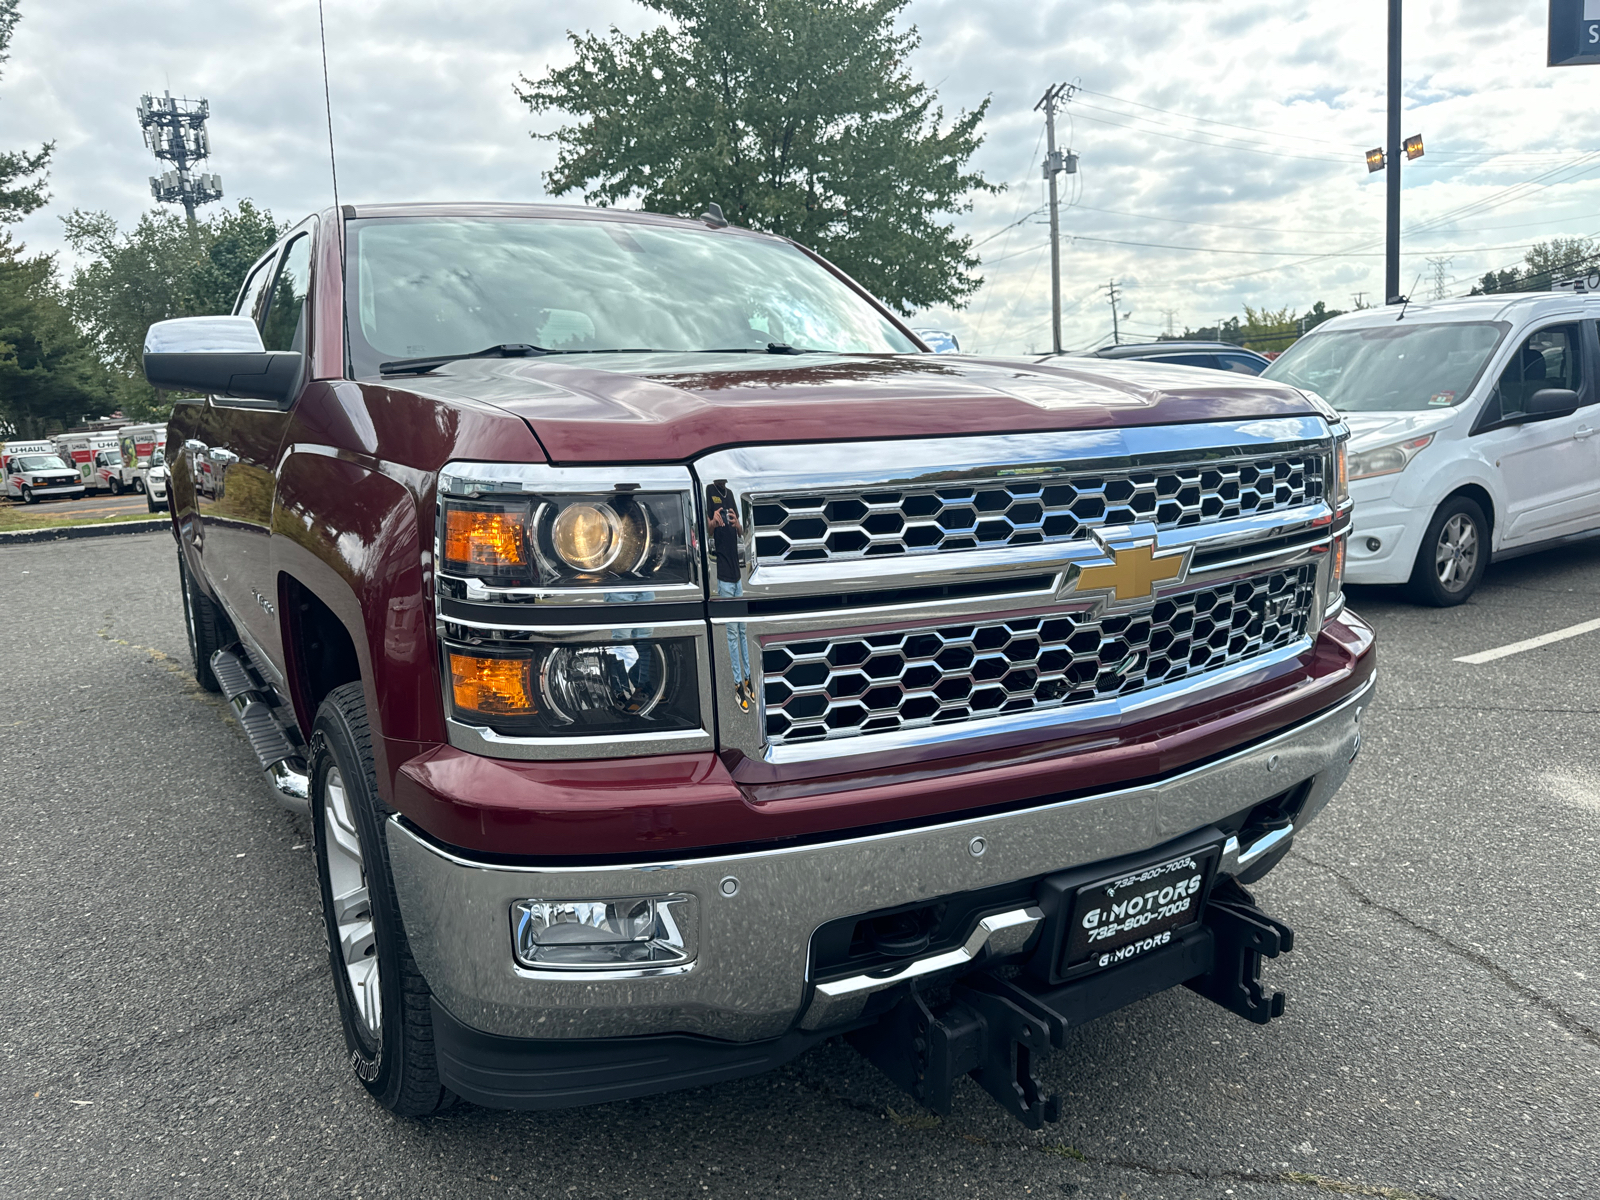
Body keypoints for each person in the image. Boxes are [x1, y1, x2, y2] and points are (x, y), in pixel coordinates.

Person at [707, 480, 753, 712]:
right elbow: (706, 529)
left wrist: (737, 524)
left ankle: (747, 678)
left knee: (743, 630)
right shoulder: (708, 491)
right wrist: (713, 522)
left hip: (738, 577)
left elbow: (742, 532)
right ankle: (737, 685)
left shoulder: (731, 493)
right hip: (724, 577)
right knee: (733, 633)